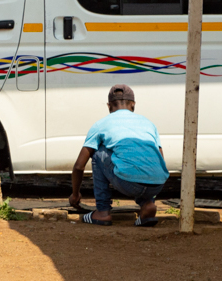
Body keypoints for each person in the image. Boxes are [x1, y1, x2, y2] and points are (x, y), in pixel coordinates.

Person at [70, 84, 169, 227]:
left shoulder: (101, 124)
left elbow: (79, 166)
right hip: (158, 184)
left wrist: (75, 194)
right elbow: (160, 159)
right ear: (133, 105)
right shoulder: (149, 124)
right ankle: (148, 204)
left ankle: (102, 211)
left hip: (129, 183)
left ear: (109, 106)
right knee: (142, 161)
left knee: (97, 153)